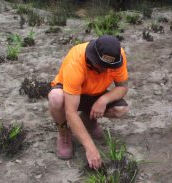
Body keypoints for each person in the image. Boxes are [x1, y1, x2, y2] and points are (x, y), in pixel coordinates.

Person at [48, 35, 129, 169]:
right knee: (56, 98)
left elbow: (123, 87)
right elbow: (71, 112)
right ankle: (64, 133)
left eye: (110, 66)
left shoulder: (117, 56)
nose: (106, 69)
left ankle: (89, 121)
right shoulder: (76, 62)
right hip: (71, 95)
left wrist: (103, 100)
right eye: (103, 66)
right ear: (93, 57)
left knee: (121, 109)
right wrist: (90, 148)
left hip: (96, 93)